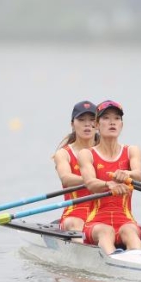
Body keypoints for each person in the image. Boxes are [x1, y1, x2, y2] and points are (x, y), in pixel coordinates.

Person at [78, 100, 141, 255]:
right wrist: (108, 184)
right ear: (96, 125)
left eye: (116, 118)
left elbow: (138, 175)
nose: (112, 122)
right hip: (96, 223)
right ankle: (113, 258)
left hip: (126, 221)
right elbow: (90, 183)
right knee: (106, 232)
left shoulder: (132, 151)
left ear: (121, 125)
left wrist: (127, 174)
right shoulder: (86, 154)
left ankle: (140, 258)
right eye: (106, 118)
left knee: (130, 232)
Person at [53, 100, 98, 233]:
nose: (87, 124)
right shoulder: (63, 154)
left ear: (98, 124)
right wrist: (93, 181)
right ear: (72, 124)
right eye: (81, 120)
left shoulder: (108, 152)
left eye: (92, 120)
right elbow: (66, 178)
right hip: (75, 214)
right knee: (75, 223)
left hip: (103, 213)